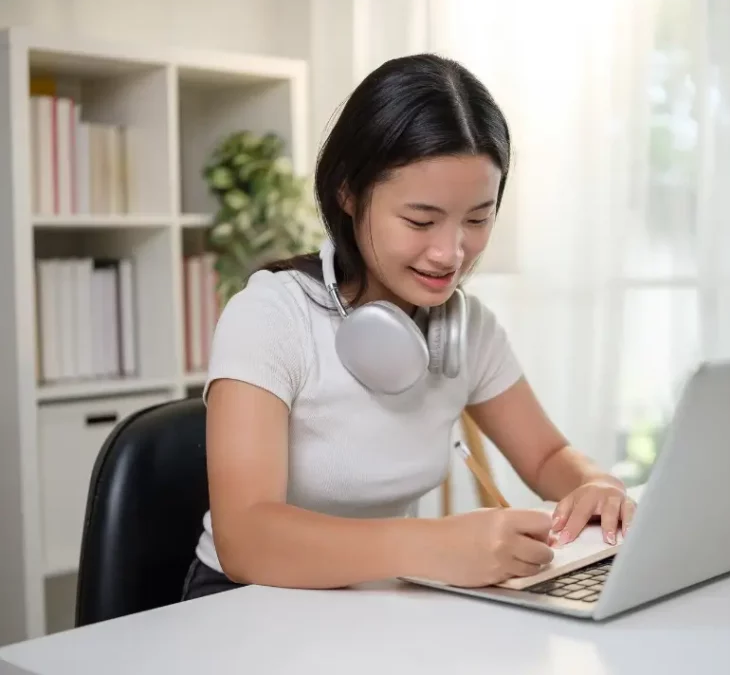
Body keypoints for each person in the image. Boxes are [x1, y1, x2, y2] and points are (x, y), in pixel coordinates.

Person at [181, 53, 635, 601]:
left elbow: (546, 457)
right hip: (246, 603)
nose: (451, 253)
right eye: (421, 220)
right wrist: (433, 545)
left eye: (477, 218)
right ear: (348, 193)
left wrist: (596, 485)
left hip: (379, 599)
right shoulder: (270, 316)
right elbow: (246, 538)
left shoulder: (465, 328)